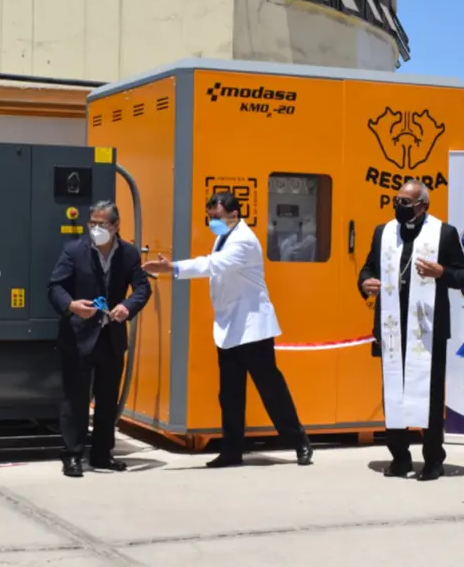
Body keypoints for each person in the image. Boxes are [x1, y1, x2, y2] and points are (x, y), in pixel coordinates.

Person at [143, 192, 313, 468]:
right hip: (229, 326)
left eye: (216, 217)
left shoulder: (243, 240)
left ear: (234, 214)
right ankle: (232, 450)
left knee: (271, 389)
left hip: (252, 327)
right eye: (209, 218)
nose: (212, 222)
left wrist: (172, 268)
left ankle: (299, 442)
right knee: (230, 393)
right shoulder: (224, 236)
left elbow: (213, 265)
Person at [357, 179, 464, 481]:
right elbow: (368, 268)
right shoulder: (384, 233)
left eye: (405, 203)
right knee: (393, 392)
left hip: (427, 329)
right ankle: (399, 457)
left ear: (423, 205)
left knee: (429, 396)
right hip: (392, 327)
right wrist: (364, 282)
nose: (398, 207)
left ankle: (433, 459)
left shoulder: (444, 233)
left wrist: (442, 272)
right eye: (396, 201)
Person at [47, 201, 151, 478]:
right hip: (78, 336)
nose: (95, 229)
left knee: (107, 400)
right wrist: (71, 306)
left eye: (102, 224)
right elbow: (56, 286)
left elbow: (142, 287)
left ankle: (102, 454)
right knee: (75, 399)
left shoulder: (128, 254)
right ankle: (72, 456)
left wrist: (127, 307)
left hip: (111, 336)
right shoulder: (74, 250)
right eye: (92, 223)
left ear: (116, 226)